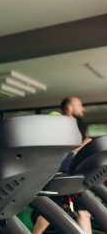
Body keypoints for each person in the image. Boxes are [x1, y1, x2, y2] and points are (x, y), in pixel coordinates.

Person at [33, 96, 92, 234]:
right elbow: (56, 150)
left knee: (84, 213)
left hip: (73, 174)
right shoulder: (59, 124)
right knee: (49, 213)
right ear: (69, 108)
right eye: (79, 105)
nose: (82, 108)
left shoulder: (77, 126)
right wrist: (82, 146)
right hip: (60, 174)